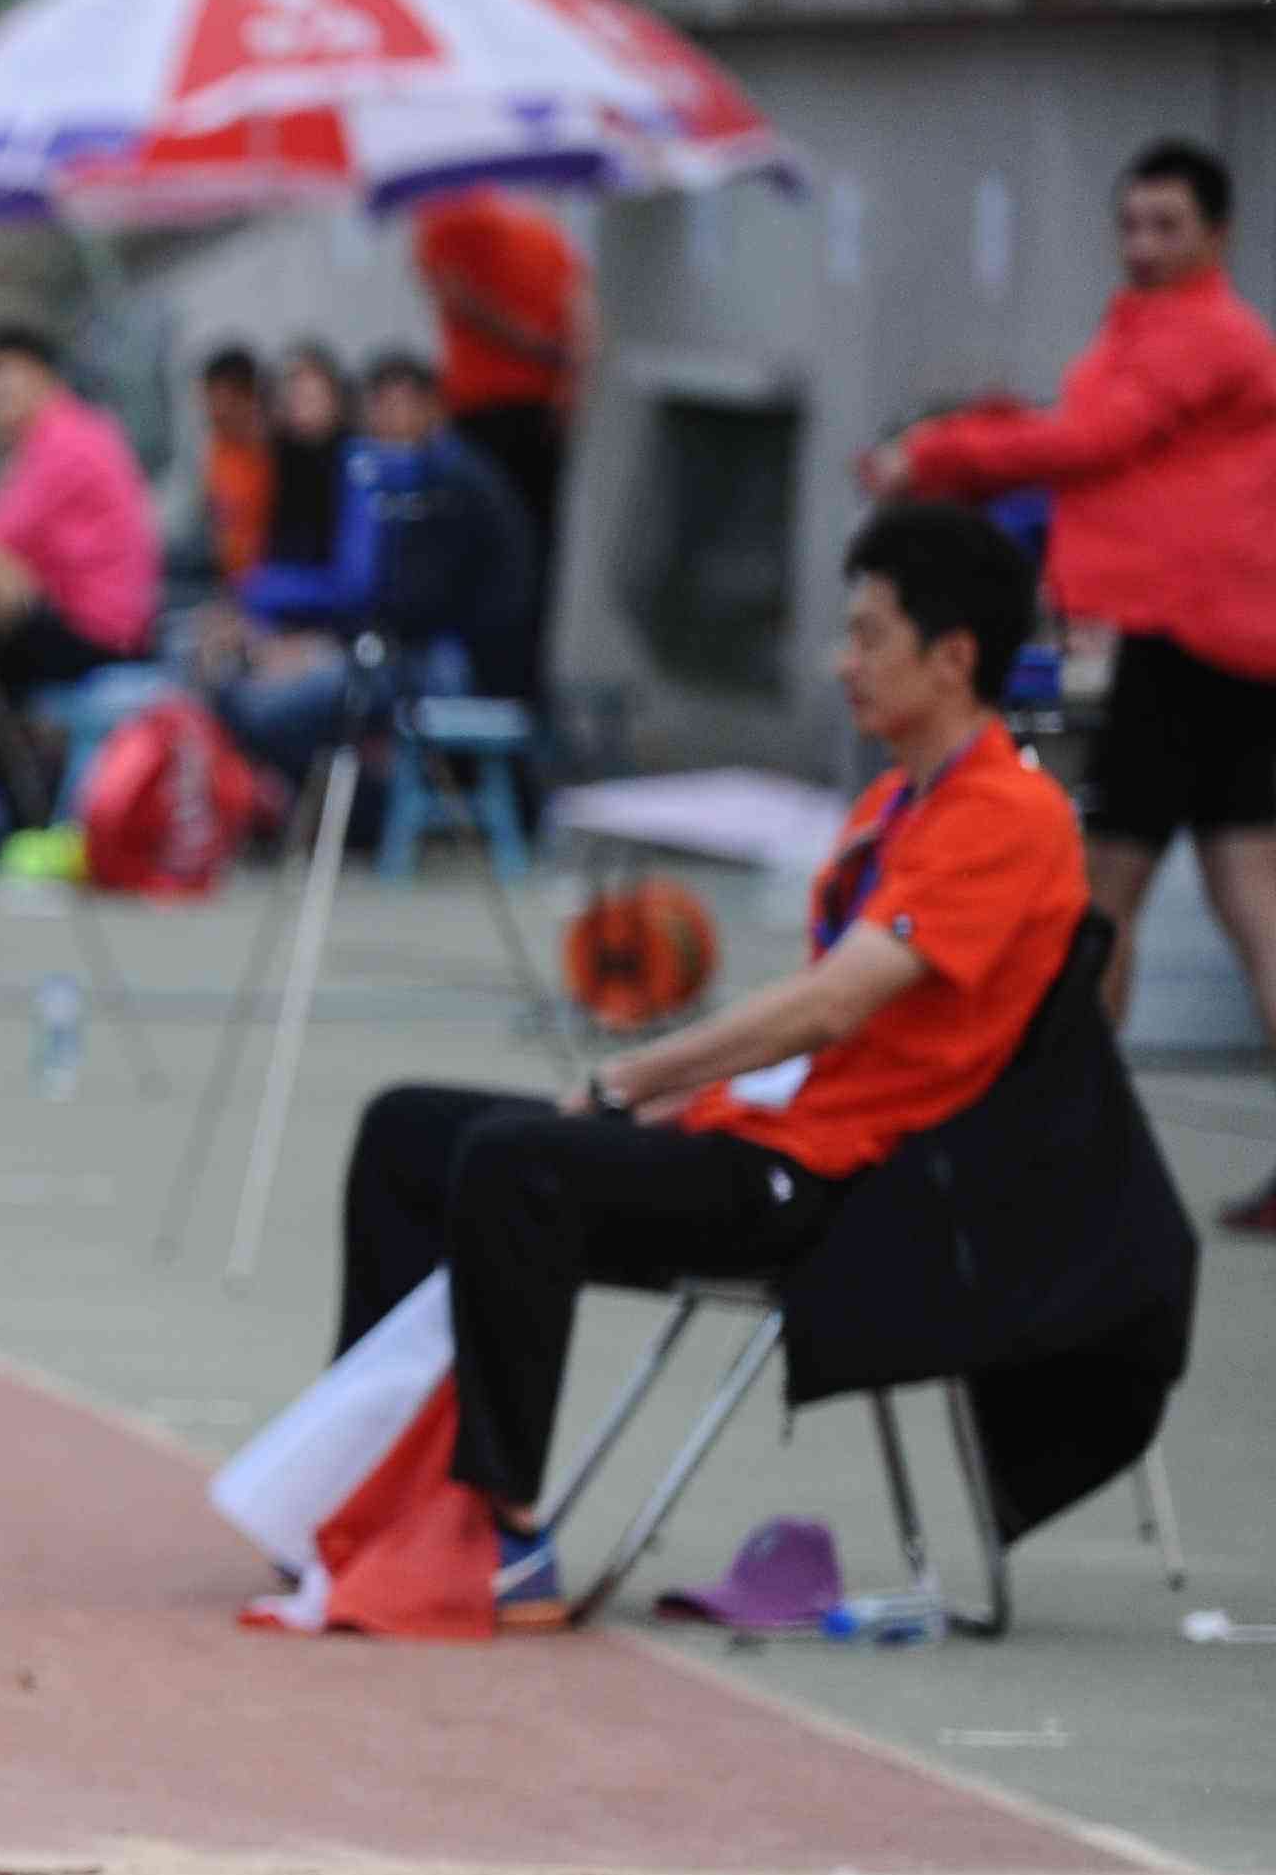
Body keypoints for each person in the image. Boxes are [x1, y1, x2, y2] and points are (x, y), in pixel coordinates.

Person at [335, 505, 1084, 1623]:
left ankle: (502, 1532)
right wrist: (675, 1087)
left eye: (866, 637)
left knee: (515, 1163)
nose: (841, 663)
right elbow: (814, 1018)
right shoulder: (890, 803)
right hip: (756, 1132)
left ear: (953, 658)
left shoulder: (1008, 816)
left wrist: (629, 1080)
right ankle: (368, 1483)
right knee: (407, 1131)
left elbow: (834, 1006)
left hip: (848, 1187)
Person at [868, 137, 1276, 1238]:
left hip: (1187, 641)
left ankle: (1065, 1143)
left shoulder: (1204, 335)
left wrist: (938, 452)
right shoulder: (1161, 327)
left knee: (1101, 902)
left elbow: (1089, 437)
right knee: (1242, 898)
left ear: (1215, 234)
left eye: (1165, 227)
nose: (1141, 247)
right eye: (1130, 224)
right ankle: (1069, 1137)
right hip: (1218, 641)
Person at [203, 350, 540, 790]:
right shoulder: (406, 472)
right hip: (404, 649)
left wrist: (317, 640)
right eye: (377, 407)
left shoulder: (443, 480)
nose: (382, 422)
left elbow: (406, 604)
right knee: (230, 685)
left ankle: (362, 811)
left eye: (394, 407)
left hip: (451, 664)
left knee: (261, 707)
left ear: (430, 406)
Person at [0, 322, 158, 737]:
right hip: (87, 622)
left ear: (40, 372)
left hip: (102, 634)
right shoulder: (62, 437)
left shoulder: (66, 440)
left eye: (0, 373)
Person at [407, 184, 589, 597]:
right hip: (542, 409)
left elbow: (456, 297)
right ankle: (527, 655)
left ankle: (480, 656)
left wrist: (530, 345)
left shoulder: (443, 218)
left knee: (479, 544)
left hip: (480, 408)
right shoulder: (547, 232)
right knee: (536, 541)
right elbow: (585, 326)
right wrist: (568, 391)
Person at [262, 340, 355, 571]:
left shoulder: (353, 462)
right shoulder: (282, 457)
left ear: (336, 399)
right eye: (292, 396)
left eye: (310, 396)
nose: (299, 406)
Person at [191, 342, 273, 586]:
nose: (209, 410)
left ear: (245, 398)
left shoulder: (270, 455)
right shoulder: (218, 448)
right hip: (229, 585)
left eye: (217, 399)